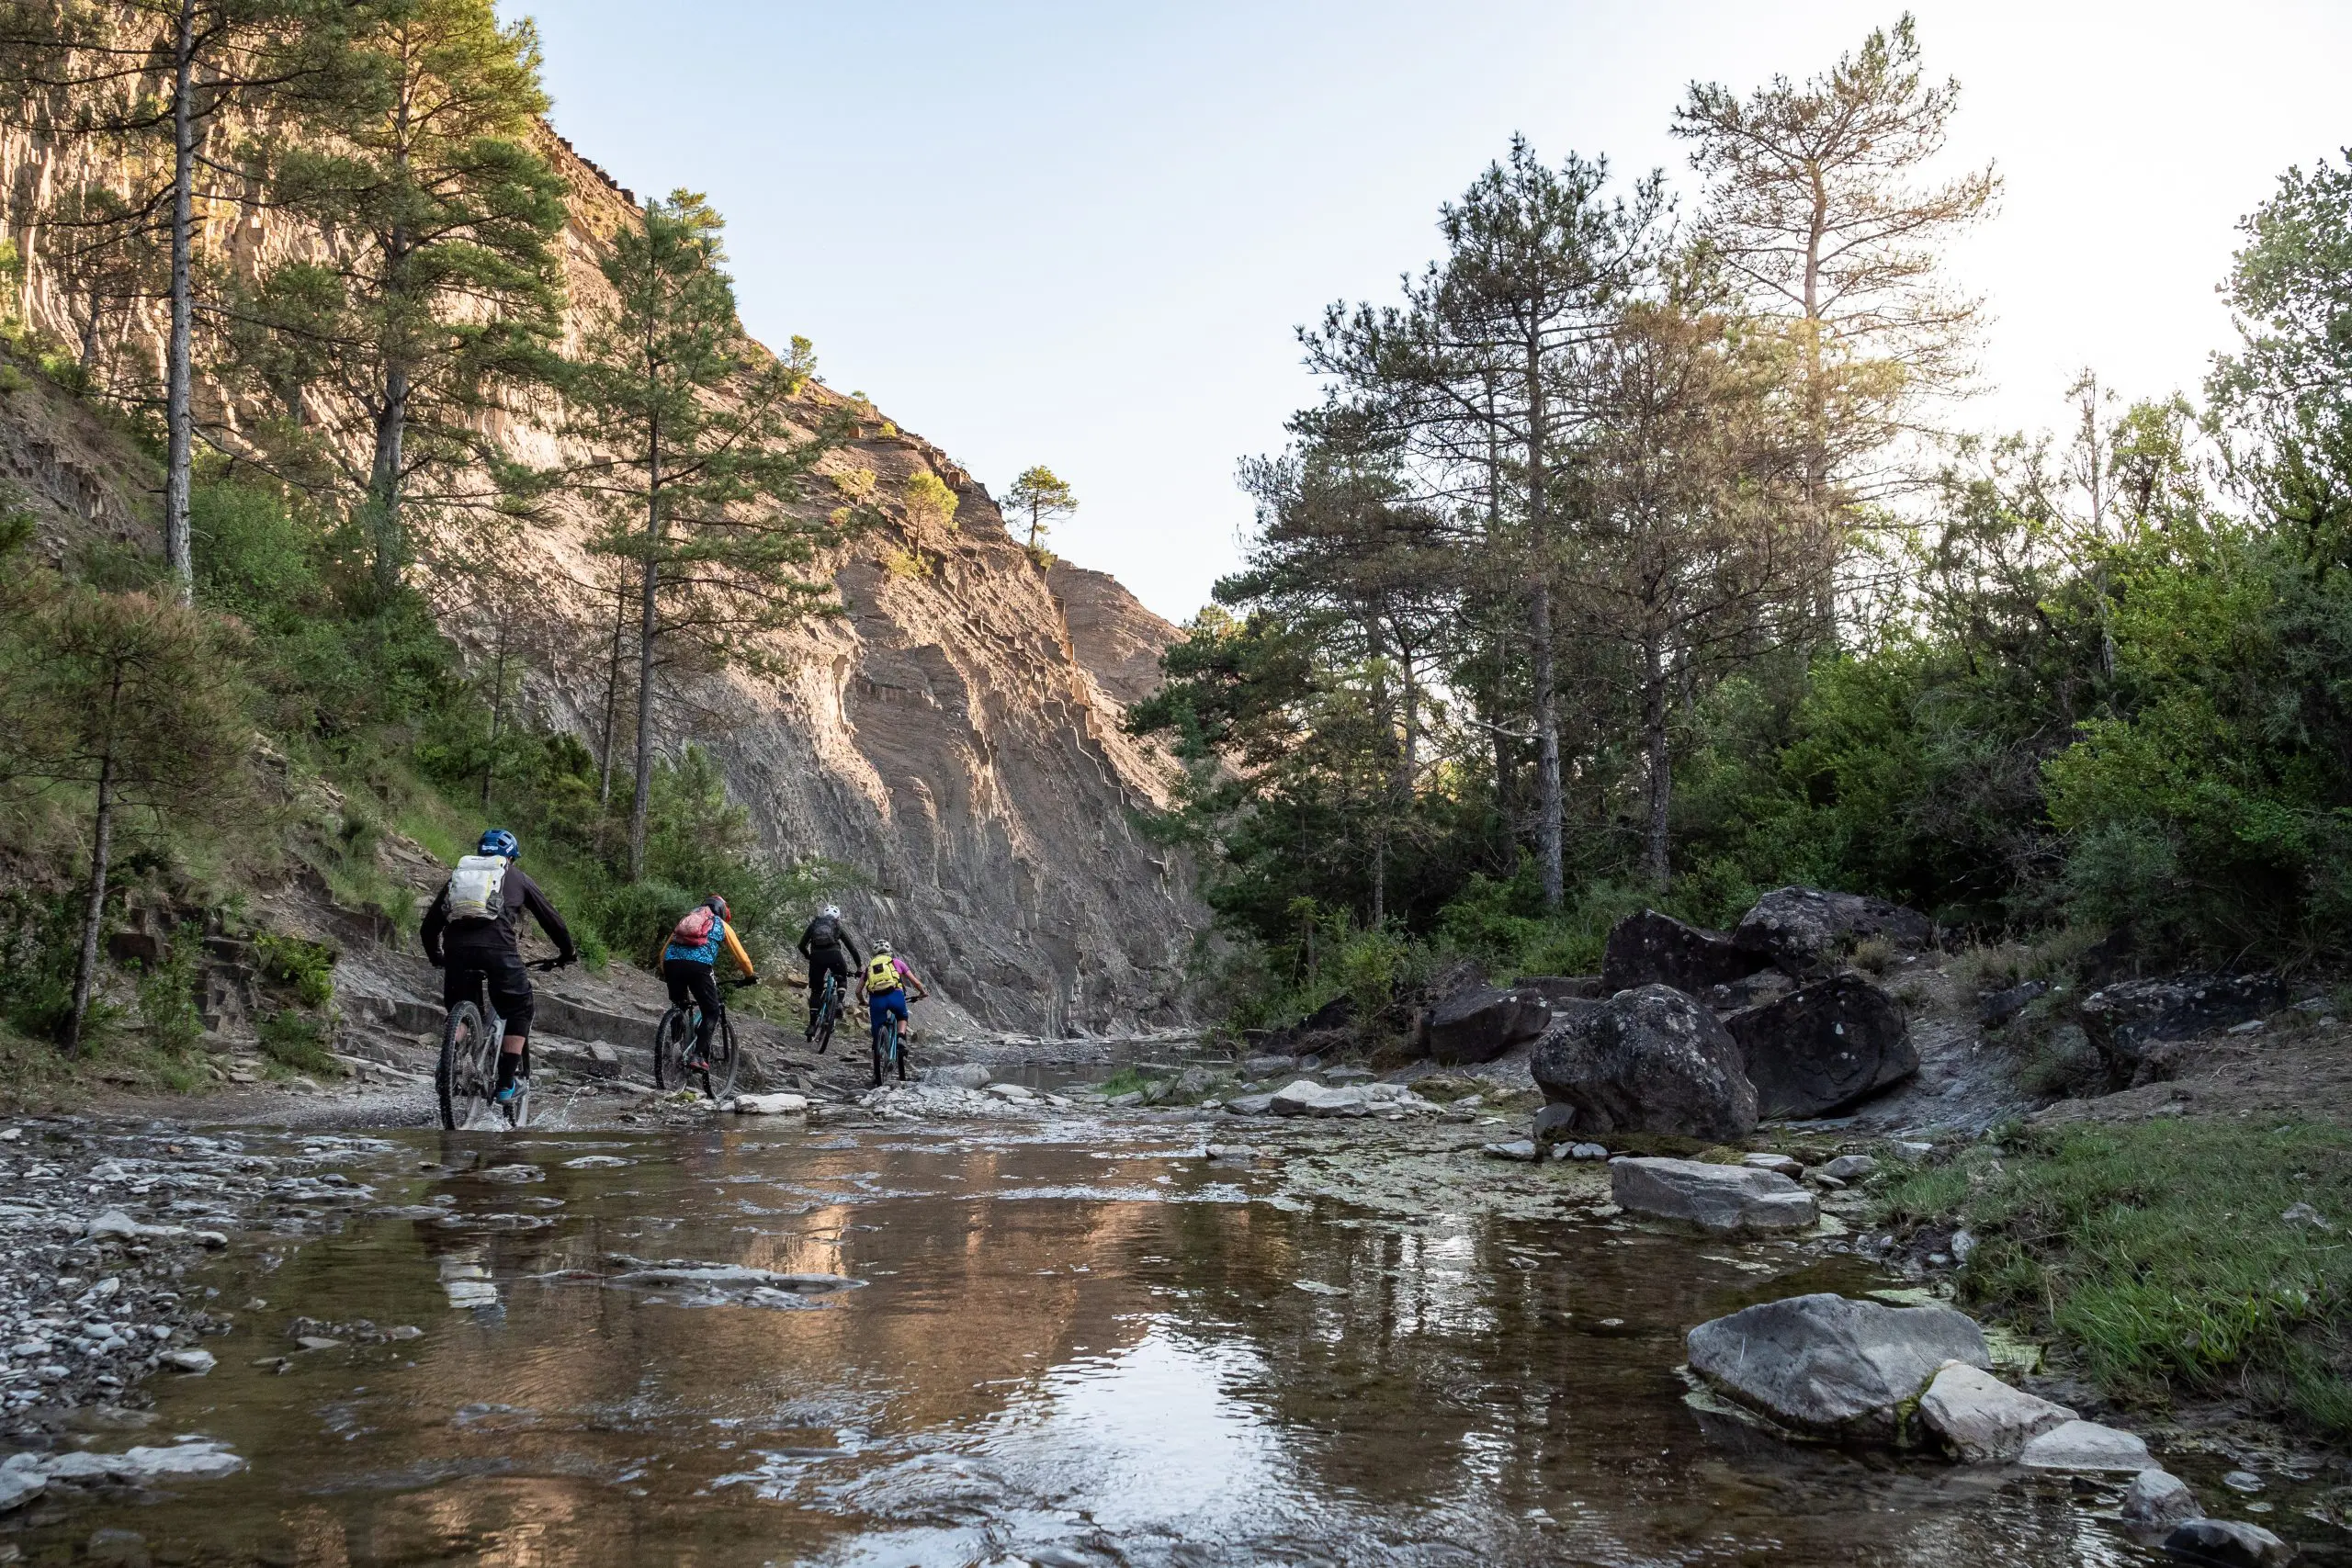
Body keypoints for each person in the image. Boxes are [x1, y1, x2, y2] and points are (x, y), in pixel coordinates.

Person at [420, 829, 575, 1105]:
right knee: (520, 1008)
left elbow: (429, 926)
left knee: (464, 1004)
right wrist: (567, 951)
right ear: (511, 857)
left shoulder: (460, 876)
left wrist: (437, 955)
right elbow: (552, 920)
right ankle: (505, 1085)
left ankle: (448, 1061)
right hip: (499, 952)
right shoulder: (517, 877)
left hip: (457, 951)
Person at [661, 894, 758, 1069]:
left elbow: (664, 951)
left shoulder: (688, 919)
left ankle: (669, 1048)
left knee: (679, 1005)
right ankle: (697, 1056)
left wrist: (667, 970)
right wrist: (750, 975)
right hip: (699, 967)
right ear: (722, 910)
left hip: (671, 964)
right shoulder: (721, 924)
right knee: (712, 1011)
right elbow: (742, 958)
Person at [796, 903, 863, 1049]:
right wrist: (859, 968)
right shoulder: (837, 927)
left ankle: (812, 1026)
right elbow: (852, 948)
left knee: (816, 991)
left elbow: (801, 945)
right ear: (837, 919)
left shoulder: (814, 925)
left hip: (816, 958)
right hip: (834, 955)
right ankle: (839, 1002)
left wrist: (809, 956)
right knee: (841, 978)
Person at [857, 939, 929, 1073]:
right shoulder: (897, 962)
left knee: (877, 1031)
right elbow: (915, 982)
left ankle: (878, 1058)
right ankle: (901, 1038)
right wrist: (923, 992)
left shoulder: (869, 968)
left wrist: (862, 1001)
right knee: (902, 1016)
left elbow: (857, 991)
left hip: (876, 1000)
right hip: (895, 995)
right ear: (889, 951)